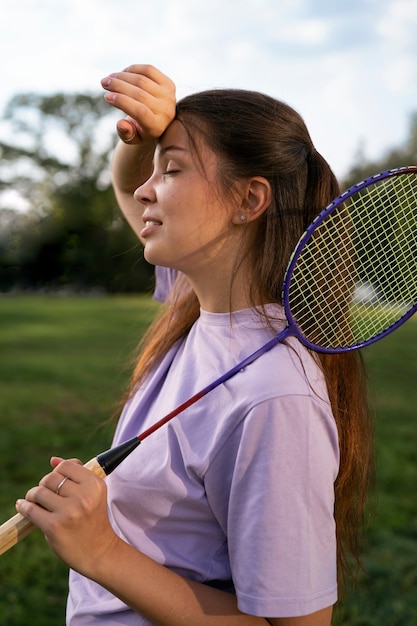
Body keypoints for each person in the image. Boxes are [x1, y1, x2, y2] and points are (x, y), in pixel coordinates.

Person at [16, 65, 374, 625]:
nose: (143, 190)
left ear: (249, 200)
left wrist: (101, 551)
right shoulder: (201, 305)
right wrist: (150, 135)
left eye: (174, 170)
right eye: (154, 170)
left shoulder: (276, 398)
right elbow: (127, 187)